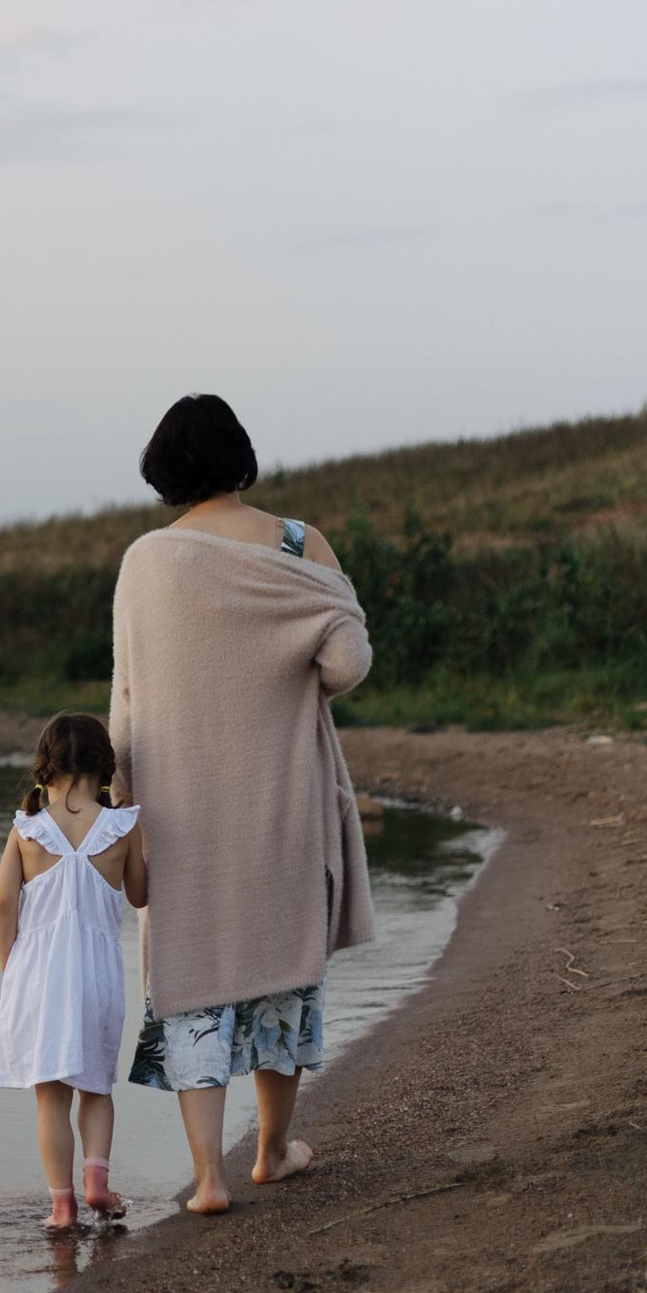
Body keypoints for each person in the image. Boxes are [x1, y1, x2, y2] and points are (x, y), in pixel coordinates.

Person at [111, 393, 376, 1215]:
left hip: (180, 808)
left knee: (191, 978)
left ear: (166, 471)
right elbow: (346, 663)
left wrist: (121, 806)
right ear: (240, 456)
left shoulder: (146, 562)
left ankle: (209, 1180)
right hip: (281, 799)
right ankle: (270, 1151)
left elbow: (126, 698)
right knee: (281, 972)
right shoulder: (298, 543)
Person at [0, 713, 148, 1234]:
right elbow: (141, 894)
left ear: (47, 766)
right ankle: (97, 1180)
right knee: (96, 1088)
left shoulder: (27, 830)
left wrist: (11, 969)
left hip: (38, 975)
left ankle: (62, 1206)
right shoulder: (123, 826)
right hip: (98, 975)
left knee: (50, 1096)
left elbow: (1, 908)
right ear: (103, 766)